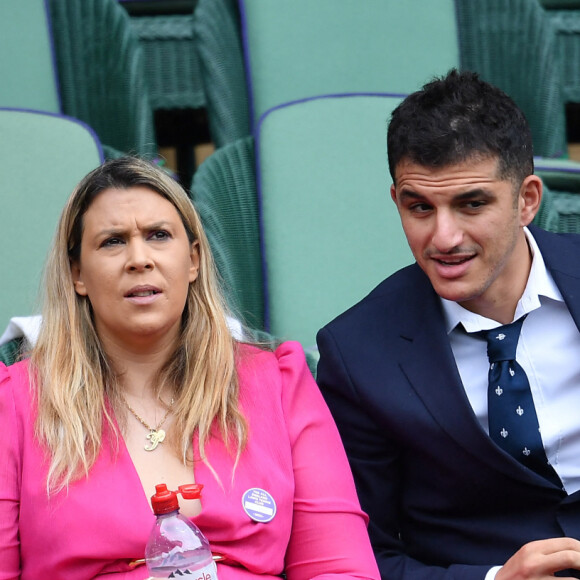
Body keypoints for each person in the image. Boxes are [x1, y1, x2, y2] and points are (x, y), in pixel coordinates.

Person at [0, 157, 379, 580]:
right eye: (112, 242)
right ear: (77, 274)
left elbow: (339, 567)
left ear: (194, 260)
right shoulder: (16, 403)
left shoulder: (278, 384)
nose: (139, 258)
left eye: (159, 236)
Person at [316, 69, 580, 580]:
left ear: (527, 199)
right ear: (397, 202)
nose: (444, 237)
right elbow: (357, 554)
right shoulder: (357, 353)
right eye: (420, 207)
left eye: (472, 203)